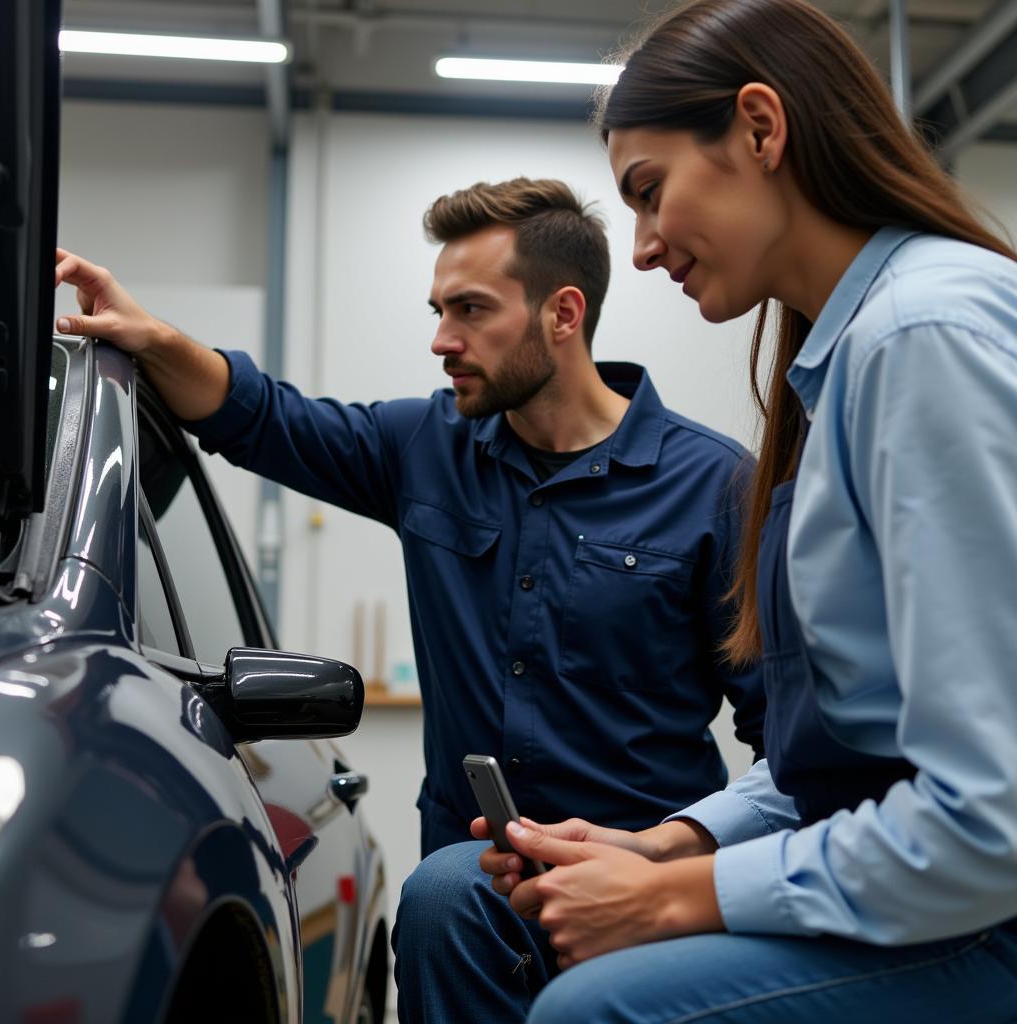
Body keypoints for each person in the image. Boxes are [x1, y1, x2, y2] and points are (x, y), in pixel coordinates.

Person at [434, 2, 1017, 1022]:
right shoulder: (835, 364)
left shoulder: (920, 336)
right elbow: (838, 763)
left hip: (982, 914)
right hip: (923, 881)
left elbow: (993, 818)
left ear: (759, 127)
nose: (645, 249)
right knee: (456, 896)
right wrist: (666, 842)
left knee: (592, 1008)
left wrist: (676, 898)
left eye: (650, 193)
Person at [54, 177, 765, 860]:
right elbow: (259, 417)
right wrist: (147, 333)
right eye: (439, 312)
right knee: (438, 902)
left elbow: (779, 729)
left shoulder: (715, 487)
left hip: (642, 889)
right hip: (471, 885)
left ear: (563, 314)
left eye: (472, 310)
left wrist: (688, 866)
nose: (442, 341)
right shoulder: (425, 448)